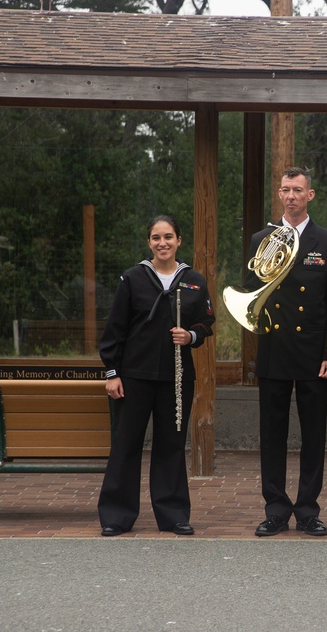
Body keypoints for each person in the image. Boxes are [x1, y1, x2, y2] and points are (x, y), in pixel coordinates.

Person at [98, 215, 215, 536]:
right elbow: (114, 331)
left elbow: (207, 323)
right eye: (155, 237)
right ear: (149, 242)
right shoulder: (133, 278)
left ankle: (173, 514)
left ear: (179, 240)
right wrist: (112, 373)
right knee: (126, 445)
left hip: (176, 379)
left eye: (168, 237)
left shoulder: (194, 280)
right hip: (133, 376)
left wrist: (189, 336)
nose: (162, 243)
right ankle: (116, 516)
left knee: (171, 447)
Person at [246, 167, 327, 537]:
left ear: (310, 195)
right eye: (285, 190)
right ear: (279, 194)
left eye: (298, 190)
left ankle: (307, 510)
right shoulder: (263, 238)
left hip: (313, 354)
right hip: (274, 348)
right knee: (271, 434)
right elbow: (250, 292)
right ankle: (275, 509)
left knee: (313, 435)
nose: (291, 196)